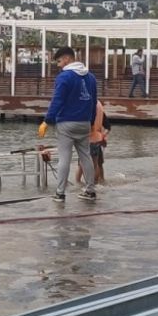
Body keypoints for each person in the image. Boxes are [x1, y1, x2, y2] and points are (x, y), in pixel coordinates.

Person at [38, 47, 97, 201]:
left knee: (64, 158)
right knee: (86, 156)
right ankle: (90, 191)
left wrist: (47, 121)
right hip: (84, 123)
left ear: (67, 59)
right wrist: (91, 122)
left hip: (66, 123)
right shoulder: (91, 77)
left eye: (59, 61)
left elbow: (57, 101)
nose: (58, 65)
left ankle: (60, 193)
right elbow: (94, 102)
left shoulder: (64, 77)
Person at [76, 101, 109, 185]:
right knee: (97, 164)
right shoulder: (99, 106)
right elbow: (108, 126)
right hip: (97, 138)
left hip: (88, 138)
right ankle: (97, 182)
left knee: (84, 164)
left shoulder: (86, 104)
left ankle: (84, 183)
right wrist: (103, 136)